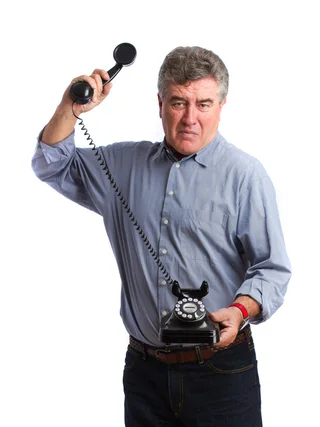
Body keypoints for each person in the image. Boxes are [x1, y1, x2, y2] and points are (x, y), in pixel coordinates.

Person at [31, 45, 292, 427]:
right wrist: (70, 106)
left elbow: (273, 269)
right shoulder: (121, 166)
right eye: (178, 102)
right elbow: (51, 163)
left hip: (220, 373)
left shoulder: (245, 176)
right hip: (144, 374)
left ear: (221, 106)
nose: (190, 118)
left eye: (203, 104)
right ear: (159, 103)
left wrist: (239, 311)